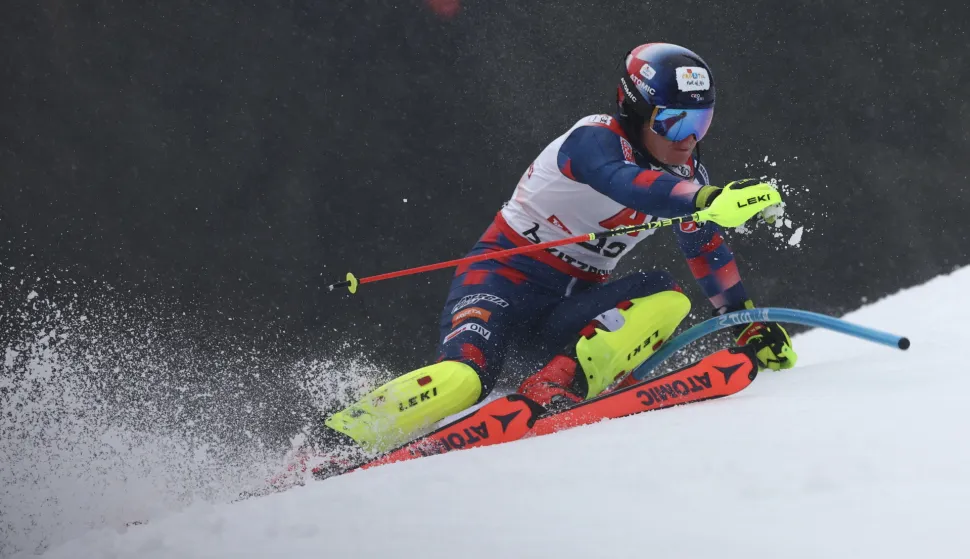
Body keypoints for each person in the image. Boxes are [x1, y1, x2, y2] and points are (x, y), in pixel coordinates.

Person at [322, 42, 797, 456]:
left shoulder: (688, 178)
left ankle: (556, 385)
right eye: (673, 123)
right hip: (500, 283)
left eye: (702, 122)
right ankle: (338, 439)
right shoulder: (593, 139)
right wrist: (706, 199)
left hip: (567, 309)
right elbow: (623, 182)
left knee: (668, 296)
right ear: (635, 111)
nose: (689, 139)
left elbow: (705, 249)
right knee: (465, 379)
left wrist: (746, 322)